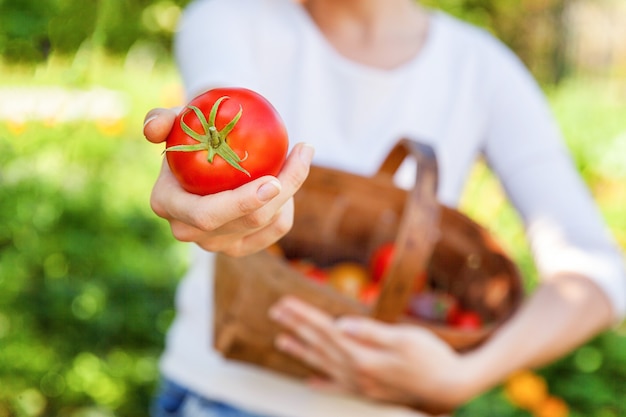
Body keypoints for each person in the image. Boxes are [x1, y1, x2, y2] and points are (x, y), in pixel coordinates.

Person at [142, 0, 626, 415]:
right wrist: (216, 195)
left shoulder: (481, 68)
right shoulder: (229, 17)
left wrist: (463, 377)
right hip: (218, 398)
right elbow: (213, 108)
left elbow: (599, 275)